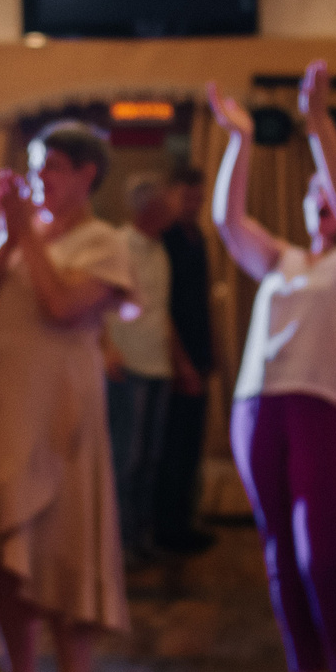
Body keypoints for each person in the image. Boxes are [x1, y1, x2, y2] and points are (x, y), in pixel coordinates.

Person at [208, 62, 336, 672]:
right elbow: (227, 223)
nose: (322, 200)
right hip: (259, 405)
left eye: (334, 193)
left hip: (327, 406)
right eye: (316, 192)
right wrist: (241, 140)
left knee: (326, 546)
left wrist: (319, 127)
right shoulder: (285, 260)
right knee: (279, 546)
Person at [0, 121, 135, 672]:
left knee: (64, 550)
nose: (42, 176)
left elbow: (61, 304)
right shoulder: (4, 231)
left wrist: (25, 229)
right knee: (4, 558)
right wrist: (7, 233)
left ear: (88, 173)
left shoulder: (104, 241)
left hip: (62, 416)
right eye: (36, 164)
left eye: (54, 164)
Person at [104, 173, 176, 560]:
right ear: (147, 208)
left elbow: (159, 309)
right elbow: (103, 306)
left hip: (158, 364)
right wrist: (109, 350)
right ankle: (119, 543)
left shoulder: (161, 248)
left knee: (150, 459)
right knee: (125, 457)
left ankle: (142, 538)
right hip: (127, 364)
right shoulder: (118, 244)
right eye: (165, 203)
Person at [151, 165, 218, 556]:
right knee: (171, 447)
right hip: (175, 359)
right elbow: (165, 308)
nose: (193, 204)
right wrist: (182, 363)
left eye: (199, 197)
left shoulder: (199, 239)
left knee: (191, 445)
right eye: (187, 197)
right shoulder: (167, 241)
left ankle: (185, 519)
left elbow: (200, 301)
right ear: (172, 195)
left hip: (197, 352)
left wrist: (209, 352)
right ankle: (168, 527)